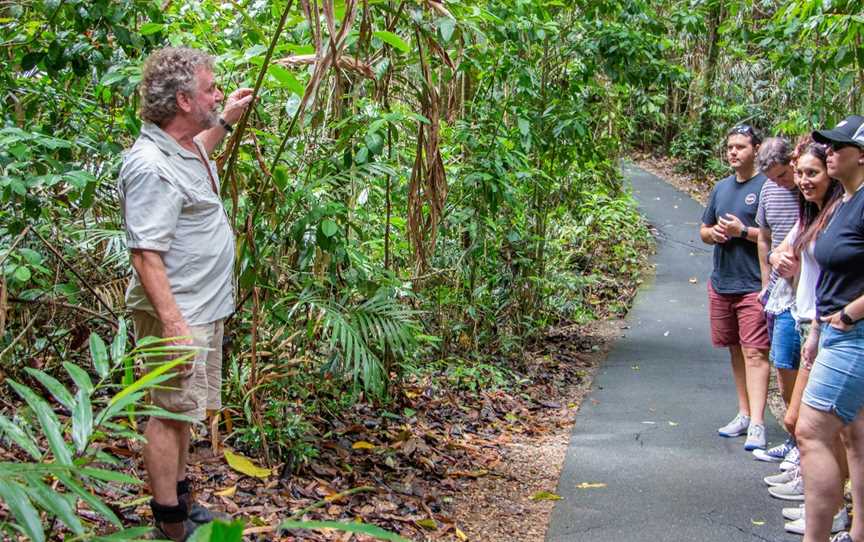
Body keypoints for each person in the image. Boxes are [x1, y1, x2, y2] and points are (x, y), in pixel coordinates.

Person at [118, 47, 252, 540]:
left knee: (183, 412)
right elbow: (146, 254)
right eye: (210, 89)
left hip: (201, 305)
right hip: (179, 312)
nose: (217, 93)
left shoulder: (186, 146)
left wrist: (227, 119)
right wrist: (173, 326)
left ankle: (183, 500)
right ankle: (169, 524)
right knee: (167, 412)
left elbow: (200, 155)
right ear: (182, 99)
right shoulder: (150, 165)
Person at [759, 142, 848, 533]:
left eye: (812, 173)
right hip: (809, 319)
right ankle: (825, 507)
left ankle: (826, 511)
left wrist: (841, 316)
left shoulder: (842, 212)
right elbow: (784, 250)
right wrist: (780, 259)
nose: (802, 181)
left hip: (834, 325)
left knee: (810, 425)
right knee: (833, 431)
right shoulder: (812, 212)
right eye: (799, 174)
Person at [794, 114, 864, 542]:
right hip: (837, 332)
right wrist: (821, 329)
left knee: (810, 432)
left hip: (854, 336)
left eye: (838, 148)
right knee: (855, 439)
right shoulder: (847, 200)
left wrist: (850, 314)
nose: (829, 152)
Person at [700, 124, 771, 451]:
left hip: (753, 284)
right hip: (722, 280)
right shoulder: (721, 188)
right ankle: (743, 413)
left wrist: (744, 231)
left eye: (740, 147)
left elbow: (779, 234)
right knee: (734, 349)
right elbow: (703, 228)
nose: (733, 152)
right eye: (730, 147)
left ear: (756, 149)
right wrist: (713, 233)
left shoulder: (769, 187)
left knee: (755, 351)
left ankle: (758, 422)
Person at [753, 137, 801, 464]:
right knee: (784, 365)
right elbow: (764, 236)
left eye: (783, 175)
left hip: (807, 294)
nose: (781, 184)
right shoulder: (770, 191)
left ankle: (804, 443)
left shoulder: (812, 189)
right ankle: (796, 440)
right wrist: (764, 282)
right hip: (779, 291)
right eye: (772, 179)